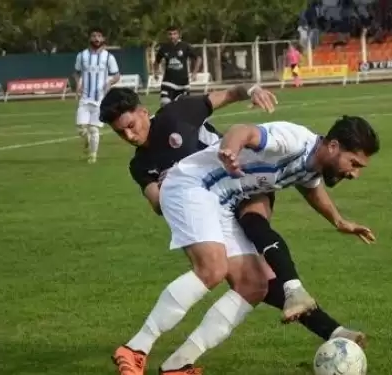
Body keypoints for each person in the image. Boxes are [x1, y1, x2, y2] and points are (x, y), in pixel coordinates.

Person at [100, 86, 367, 375]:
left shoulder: (174, 116)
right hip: (194, 185)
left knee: (255, 284)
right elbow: (240, 132)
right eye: (120, 132)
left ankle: (179, 365)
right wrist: (228, 150)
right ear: (333, 146)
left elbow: (227, 98)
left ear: (142, 112)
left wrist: (250, 90)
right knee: (212, 268)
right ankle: (135, 348)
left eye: (130, 125)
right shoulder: (141, 163)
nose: (129, 135)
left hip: (226, 196)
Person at [73, 27, 120, 163]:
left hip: (100, 99)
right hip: (85, 97)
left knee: (94, 129)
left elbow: (116, 75)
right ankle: (87, 140)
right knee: (81, 128)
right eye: (94, 36)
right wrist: (78, 84)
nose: (96, 39)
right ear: (90, 38)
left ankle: (92, 155)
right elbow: (76, 72)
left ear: (103, 39)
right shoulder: (82, 56)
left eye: (99, 36)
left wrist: (109, 83)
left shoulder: (108, 57)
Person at [153, 26, 202, 106]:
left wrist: (194, 73)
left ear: (179, 35)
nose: (172, 36)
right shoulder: (163, 48)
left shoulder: (185, 46)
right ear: (167, 35)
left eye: (174, 34)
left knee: (183, 108)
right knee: (165, 103)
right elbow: (156, 62)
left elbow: (198, 58)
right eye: (170, 34)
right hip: (168, 82)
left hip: (183, 83)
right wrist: (156, 72)